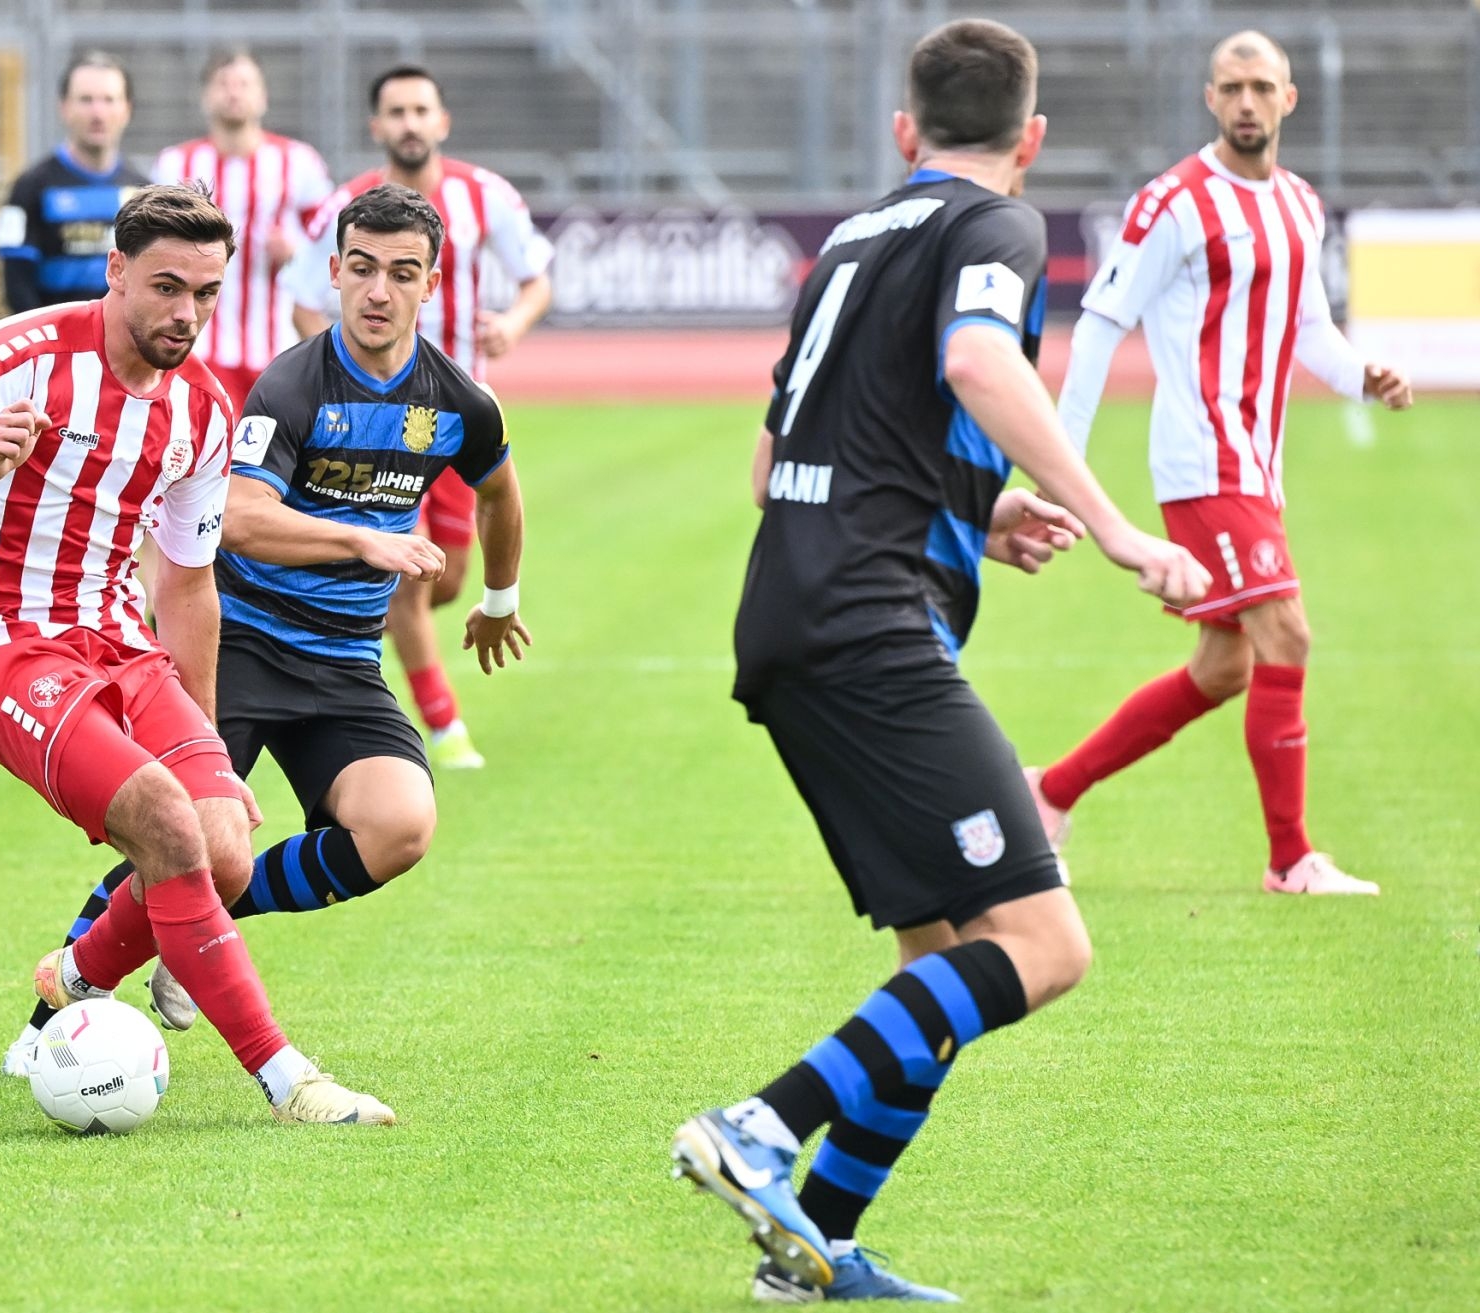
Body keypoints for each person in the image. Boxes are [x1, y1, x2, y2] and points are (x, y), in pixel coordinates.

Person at [670, 20, 1211, 1302]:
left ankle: (814, 1252)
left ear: (904, 132)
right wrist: (1119, 527)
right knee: (1045, 942)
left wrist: (980, 505)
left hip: (790, 615)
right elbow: (975, 358)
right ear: (1033, 138)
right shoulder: (1000, 226)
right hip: (870, 625)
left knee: (942, 959)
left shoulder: (851, 240)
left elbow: (774, 462)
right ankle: (760, 1124)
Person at [0, 183, 391, 1126]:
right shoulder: (18, 357)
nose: (187, 313)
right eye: (166, 287)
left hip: (124, 645)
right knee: (164, 820)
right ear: (115, 270)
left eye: (206, 292)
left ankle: (73, 977)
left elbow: (188, 587)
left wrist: (212, 747)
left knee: (226, 851)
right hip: (8, 649)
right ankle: (289, 1080)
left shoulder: (203, 409)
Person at [9, 182, 530, 1066]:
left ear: (433, 284)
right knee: (179, 834)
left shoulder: (458, 401)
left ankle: (203, 917)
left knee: (401, 827)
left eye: (402, 273)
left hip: (345, 664)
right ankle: (50, 1021)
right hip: (241, 646)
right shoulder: (292, 386)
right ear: (334, 271)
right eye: (362, 268)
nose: (378, 291)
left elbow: (500, 493)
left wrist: (500, 599)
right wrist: (361, 540)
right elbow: (241, 518)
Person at [1026, 30, 1414, 897]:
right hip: (1204, 460)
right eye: (1231, 87)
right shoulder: (1174, 202)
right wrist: (1062, 463)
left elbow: (1310, 327)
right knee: (1288, 633)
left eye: (1261, 87)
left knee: (1225, 667)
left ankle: (1048, 794)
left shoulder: (1300, 204)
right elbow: (1100, 324)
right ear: (1209, 98)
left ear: (1288, 99)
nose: (1246, 102)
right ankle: (1290, 858)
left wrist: (1362, 375)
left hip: (1257, 464)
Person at [289, 65, 553, 769]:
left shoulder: (484, 195)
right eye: (396, 111)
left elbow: (537, 279)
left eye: (420, 110)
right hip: (374, 420)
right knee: (407, 570)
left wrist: (513, 324)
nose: (409, 123)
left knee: (448, 578)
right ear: (377, 126)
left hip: (454, 423)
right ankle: (443, 724)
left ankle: (348, 625)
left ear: (442, 121)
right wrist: (335, 378)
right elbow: (305, 301)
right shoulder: (347, 205)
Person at [152, 50, 334, 411]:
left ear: (263, 96)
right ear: (205, 97)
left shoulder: (299, 161)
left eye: (244, 84)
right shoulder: (175, 164)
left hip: (278, 345)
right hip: (200, 346)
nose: (234, 92)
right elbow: (153, 247)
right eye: (223, 84)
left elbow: (332, 245)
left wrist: (295, 252)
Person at [0, 52, 150, 313]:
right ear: (64, 107)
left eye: (109, 100)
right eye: (86, 100)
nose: (98, 112)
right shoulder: (29, 188)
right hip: (54, 336)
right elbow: (16, 284)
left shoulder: (144, 193)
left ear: (127, 109)